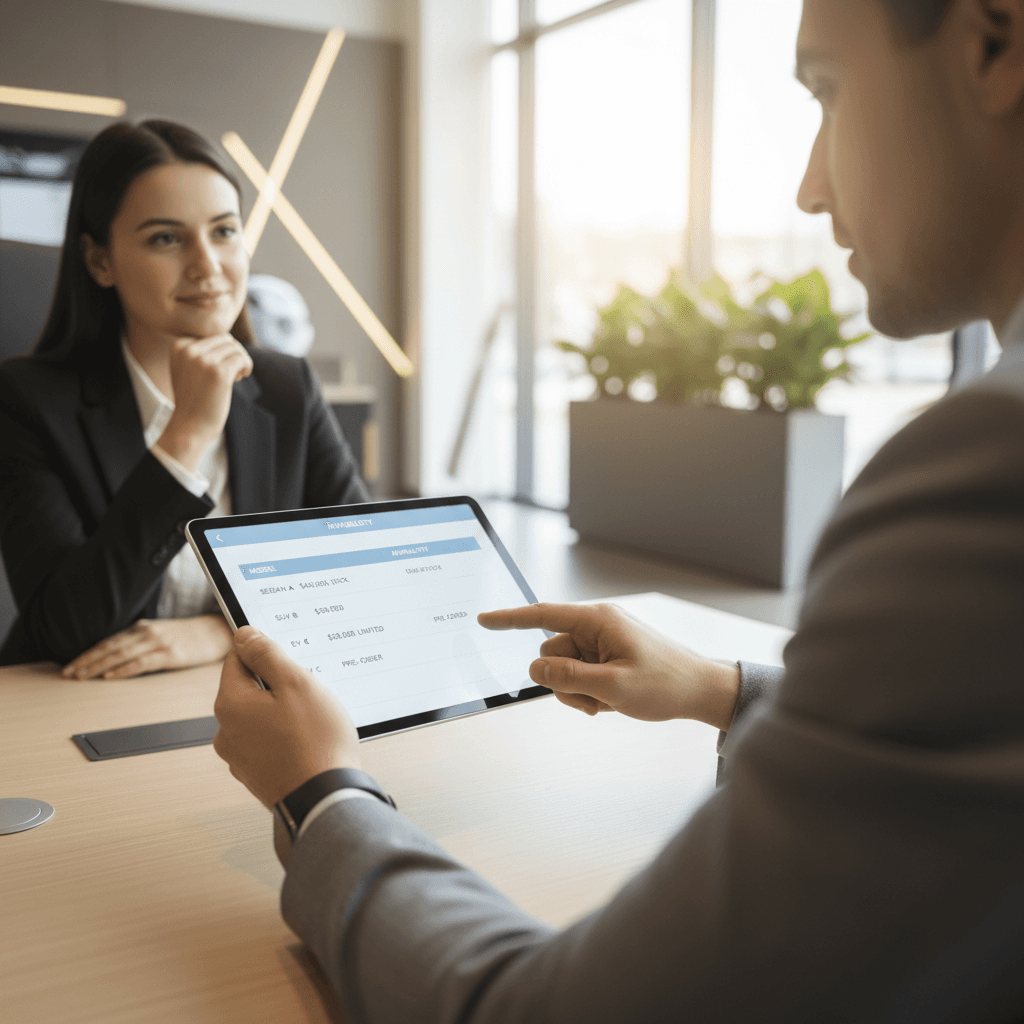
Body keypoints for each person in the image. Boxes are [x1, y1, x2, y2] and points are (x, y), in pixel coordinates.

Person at [212, 1, 1024, 1021]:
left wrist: (321, 790)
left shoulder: (987, 465)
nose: (809, 186)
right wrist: (720, 689)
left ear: (995, 42)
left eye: (825, 89)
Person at [0, 120, 369, 672]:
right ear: (100, 260)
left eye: (224, 231)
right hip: (79, 703)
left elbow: (363, 569)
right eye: (166, 238)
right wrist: (186, 435)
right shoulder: (28, 401)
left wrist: (221, 632)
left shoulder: (287, 387)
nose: (208, 265)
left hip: (247, 688)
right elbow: (65, 628)